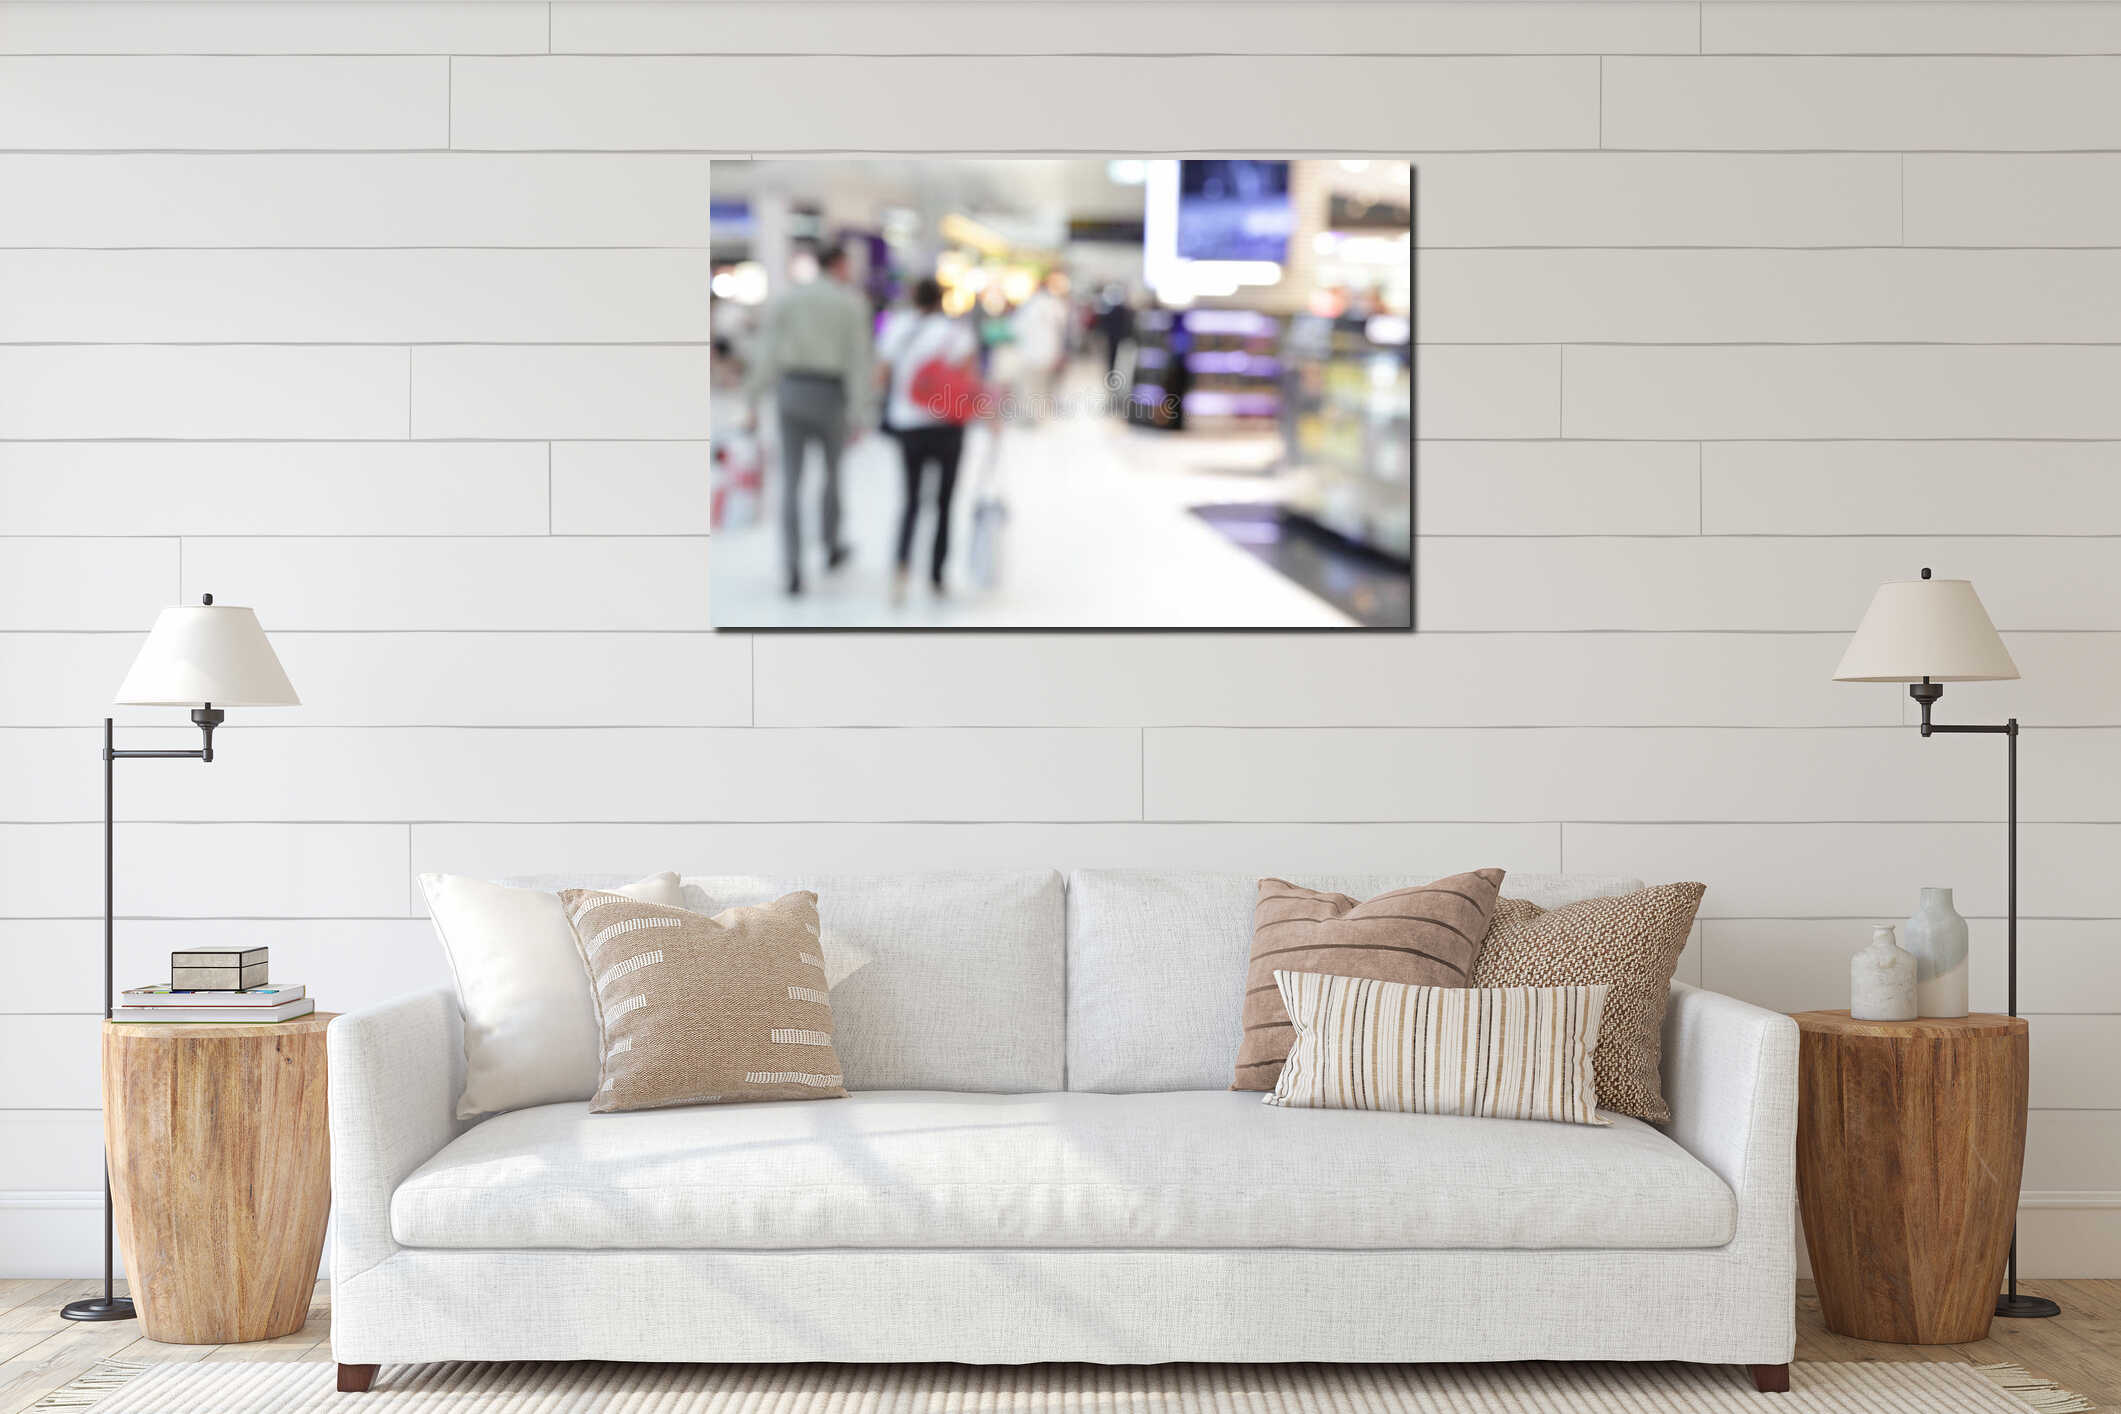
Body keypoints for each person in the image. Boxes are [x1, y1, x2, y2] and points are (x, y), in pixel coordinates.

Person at [745, 243, 873, 596]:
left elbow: (767, 352)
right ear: (839, 264)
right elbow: (859, 359)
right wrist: (861, 410)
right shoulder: (850, 304)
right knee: (833, 476)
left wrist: (753, 397)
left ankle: (792, 566)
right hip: (830, 395)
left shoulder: (789, 300)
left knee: (791, 481)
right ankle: (831, 547)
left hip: (792, 392)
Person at [878, 277, 978, 600]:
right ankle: (937, 574)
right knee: (944, 503)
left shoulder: (897, 328)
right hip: (948, 425)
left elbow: (881, 375)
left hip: (908, 424)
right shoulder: (958, 333)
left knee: (910, 501)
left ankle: (901, 570)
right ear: (942, 300)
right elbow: (967, 381)